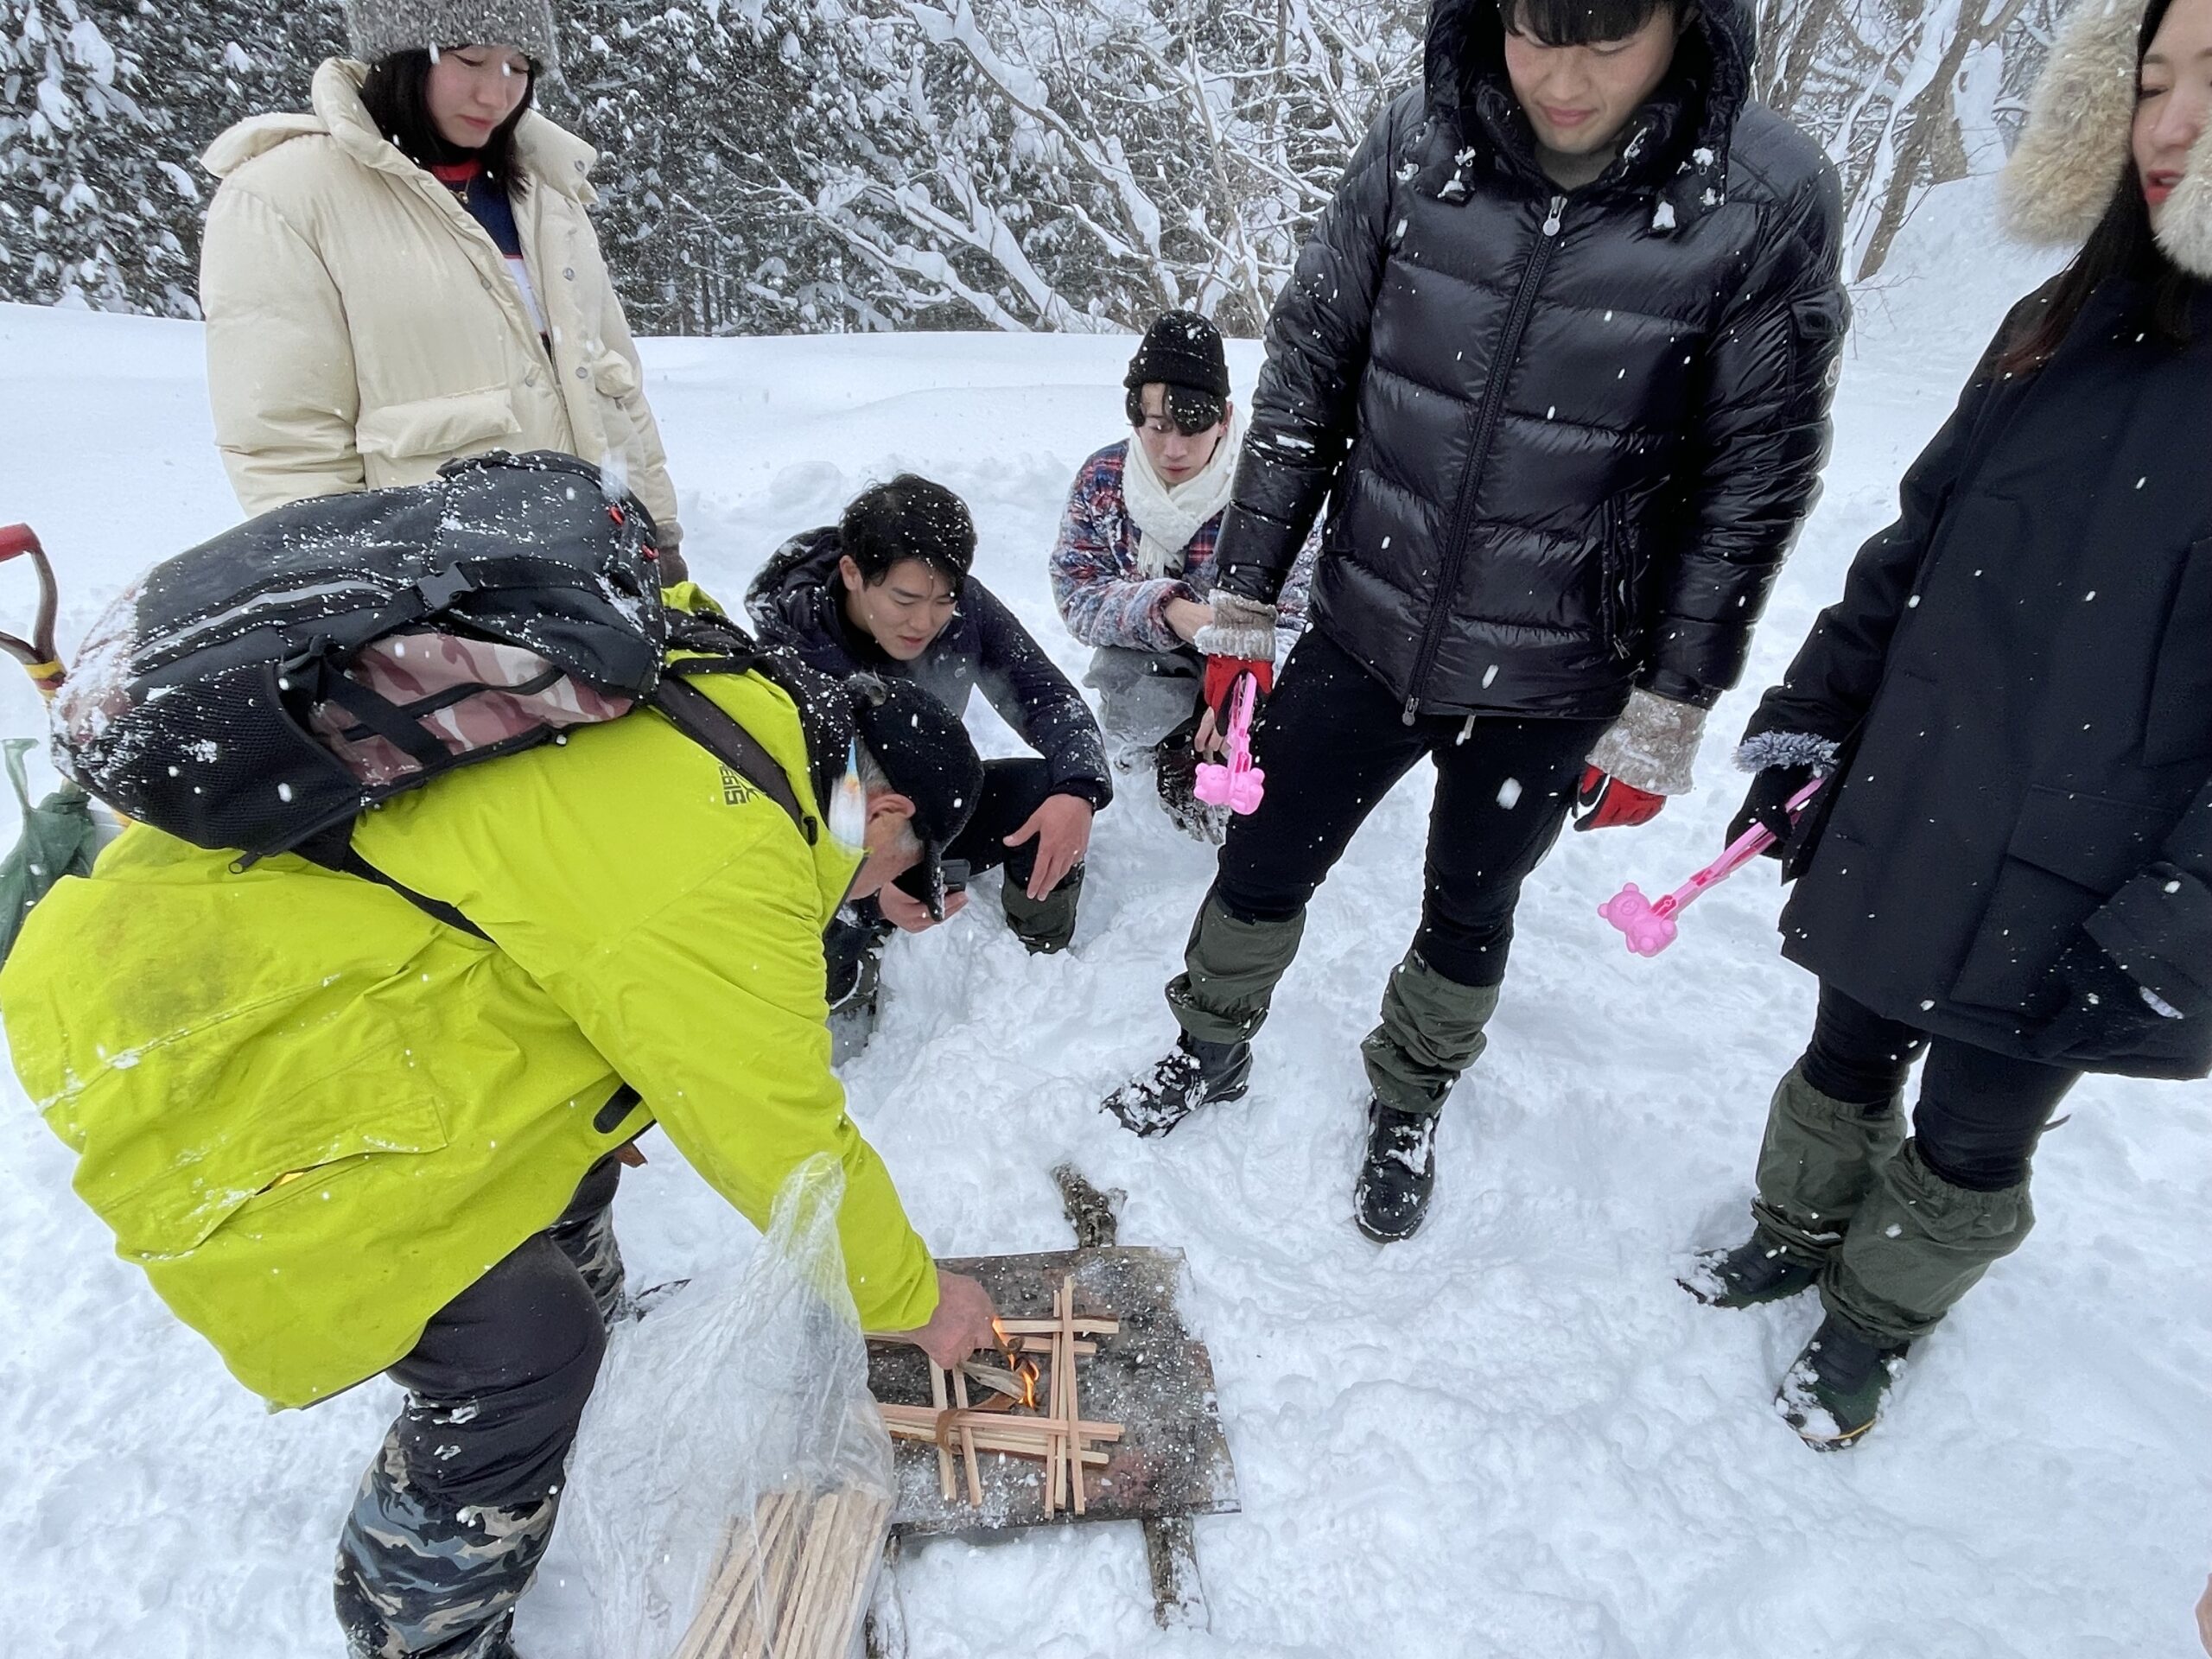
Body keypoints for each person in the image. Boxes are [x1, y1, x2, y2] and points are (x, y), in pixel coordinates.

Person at [1, 582, 998, 1658]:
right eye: (899, 873)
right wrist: (917, 1297)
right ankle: (417, 1629)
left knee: (581, 1134)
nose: (879, 899)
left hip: (249, 935)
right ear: (885, 814)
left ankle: (593, 1335)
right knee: (522, 1348)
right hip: (208, 1027)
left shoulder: (730, 708)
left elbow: (548, 900)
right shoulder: (728, 853)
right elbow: (782, 1138)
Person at [1098, 0, 1847, 1246]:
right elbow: (1306, 372)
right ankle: (1210, 1041)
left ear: (1684, 26)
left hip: (1555, 673)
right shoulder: (1418, 145)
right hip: (1362, 624)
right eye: (1534, 30)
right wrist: (1244, 595)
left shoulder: (1762, 199)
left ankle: (1410, 1096)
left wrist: (1669, 704)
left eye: (1608, 38)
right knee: (1266, 857)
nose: (1564, 76)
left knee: (1469, 903)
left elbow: (1753, 476)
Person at [1682, 0, 2212, 1446]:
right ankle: (1797, 1230)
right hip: (1918, 795)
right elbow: (1910, 553)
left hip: (2092, 882)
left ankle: (1873, 1320)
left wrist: (2176, 928)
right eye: (2147, 82)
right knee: (1848, 1047)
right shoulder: (2054, 326)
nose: (2164, 128)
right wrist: (1812, 722)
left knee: (1978, 1124)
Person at [199, 0, 685, 573]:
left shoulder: (546, 193)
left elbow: (613, 380)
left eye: (519, 66)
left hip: (598, 573)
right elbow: (286, 439)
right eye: (472, 59)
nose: (496, 94)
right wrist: (350, 593)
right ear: (401, 55)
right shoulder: (288, 195)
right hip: (434, 592)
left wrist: (658, 538)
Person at [748, 475, 1112, 1009]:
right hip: (837, 850)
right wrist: (874, 893)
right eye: (904, 599)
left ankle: (1037, 963)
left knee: (1048, 792)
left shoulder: (961, 612)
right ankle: (842, 984)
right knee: (810, 913)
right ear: (852, 573)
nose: (925, 621)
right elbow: (791, 823)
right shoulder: (794, 656)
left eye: (943, 599)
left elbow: (1047, 697)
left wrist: (1079, 789)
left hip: (932, 811)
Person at [1050, 311, 1315, 835]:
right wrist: (1168, 609)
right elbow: (1077, 592)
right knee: (1129, 671)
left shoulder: (1271, 487)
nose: (1173, 448)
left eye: (1193, 427)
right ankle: (1165, 748)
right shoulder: (1103, 479)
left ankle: (1236, 747)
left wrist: (1243, 677)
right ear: (1136, 419)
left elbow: (1306, 613)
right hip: (1151, 661)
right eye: (1158, 426)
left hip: (1253, 658)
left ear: (1224, 418)